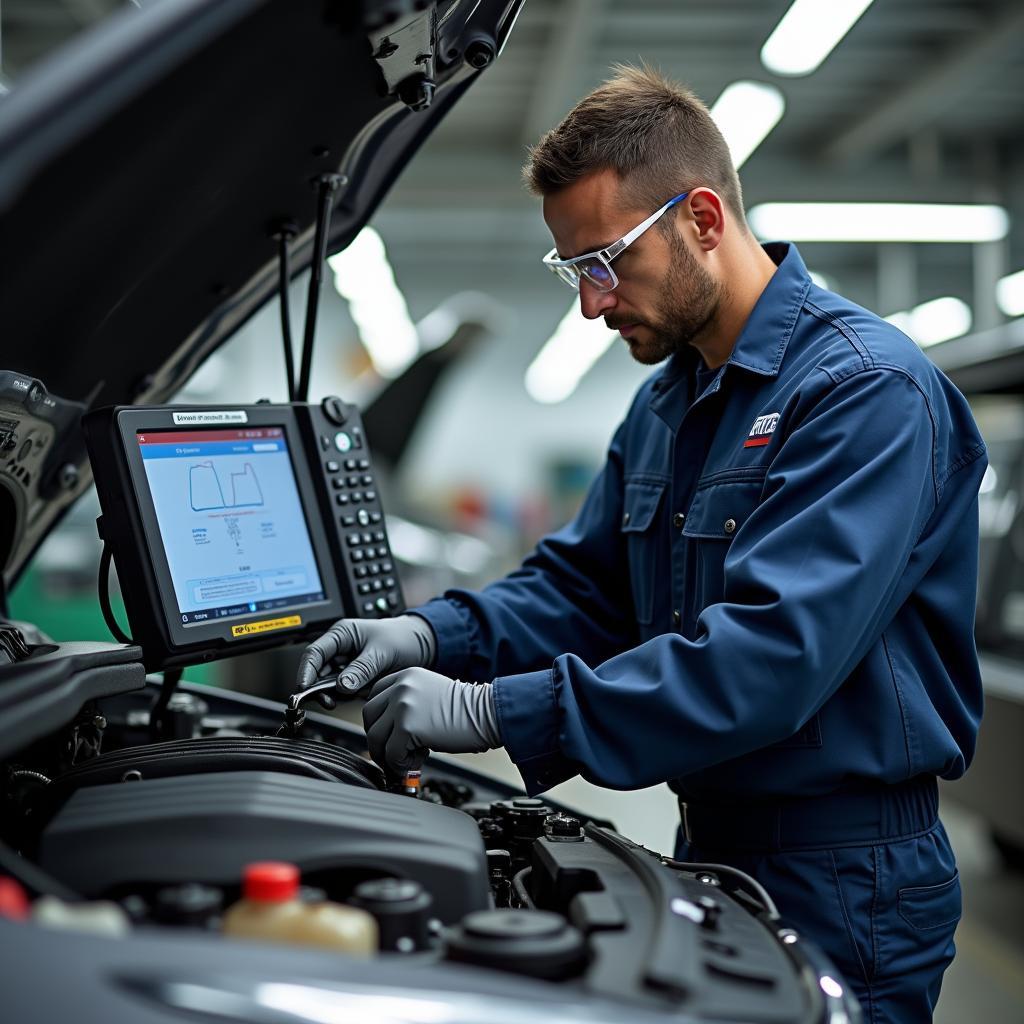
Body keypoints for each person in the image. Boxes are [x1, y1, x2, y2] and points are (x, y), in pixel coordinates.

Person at [297, 66, 986, 1022]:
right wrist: (430, 634)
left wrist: (497, 710)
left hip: (847, 873)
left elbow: (770, 658)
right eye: (573, 269)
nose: (591, 302)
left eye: (606, 260)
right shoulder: (669, 400)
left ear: (703, 216)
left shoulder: (865, 392)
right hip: (717, 842)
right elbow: (583, 587)